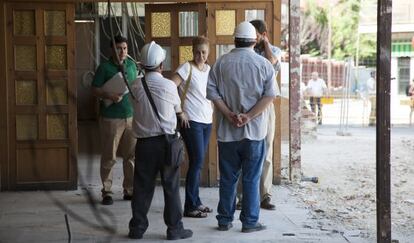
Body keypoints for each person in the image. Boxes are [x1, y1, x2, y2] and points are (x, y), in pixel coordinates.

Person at [207, 21, 278, 233]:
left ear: (234, 40)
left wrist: (229, 114)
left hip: (228, 133)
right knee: (251, 178)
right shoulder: (264, 64)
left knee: (228, 178)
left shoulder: (221, 63)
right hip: (255, 132)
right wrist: (248, 116)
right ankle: (249, 222)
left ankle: (224, 219)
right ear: (254, 40)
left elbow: (212, 93)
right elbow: (270, 96)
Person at [128, 41, 192, 240]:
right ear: (161, 65)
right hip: (167, 143)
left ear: (142, 64)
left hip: (144, 145)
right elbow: (177, 110)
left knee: (142, 187)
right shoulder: (169, 86)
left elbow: (135, 107)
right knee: (171, 187)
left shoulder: (135, 86)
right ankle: (174, 229)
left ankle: (137, 228)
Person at [236, 19, 281, 211]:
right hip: (246, 104)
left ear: (262, 34)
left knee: (267, 150)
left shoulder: (275, 51)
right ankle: (240, 196)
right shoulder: (247, 50)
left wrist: (266, 44)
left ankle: (265, 195)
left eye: (256, 34)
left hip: (266, 105)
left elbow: (271, 63)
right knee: (242, 149)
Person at [171, 36, 213, 218]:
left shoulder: (209, 69)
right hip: (191, 121)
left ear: (208, 52)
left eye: (203, 52)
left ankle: (196, 201)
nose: (200, 56)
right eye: (197, 52)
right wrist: (180, 111)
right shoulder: (186, 67)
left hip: (206, 121)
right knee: (196, 161)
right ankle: (189, 206)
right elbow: (170, 87)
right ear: (192, 51)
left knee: (198, 162)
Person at [91, 35, 136, 205]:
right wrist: (108, 94)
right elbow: (94, 89)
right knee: (109, 156)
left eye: (124, 48)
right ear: (112, 50)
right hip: (111, 118)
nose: (122, 51)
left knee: (130, 156)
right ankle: (107, 191)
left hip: (130, 116)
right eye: (118, 48)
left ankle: (129, 189)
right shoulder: (104, 68)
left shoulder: (131, 65)